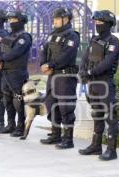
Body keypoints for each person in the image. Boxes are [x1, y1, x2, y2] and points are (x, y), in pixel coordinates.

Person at [79, 10, 119, 161]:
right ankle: (96, 146)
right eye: (96, 22)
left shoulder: (113, 41)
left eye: (101, 22)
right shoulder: (94, 39)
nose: (98, 25)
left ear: (108, 24)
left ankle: (111, 150)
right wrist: (82, 71)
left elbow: (107, 62)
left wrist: (90, 72)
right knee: (96, 114)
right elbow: (85, 57)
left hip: (105, 83)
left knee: (110, 117)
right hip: (93, 83)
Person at [39, 8, 80, 149]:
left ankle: (68, 139)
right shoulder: (52, 35)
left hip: (65, 77)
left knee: (65, 107)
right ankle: (55, 134)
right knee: (51, 104)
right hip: (52, 75)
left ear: (66, 19)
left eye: (57, 18)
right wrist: (43, 64)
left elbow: (67, 54)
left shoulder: (72, 36)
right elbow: (44, 50)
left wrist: (51, 64)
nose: (54, 21)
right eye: (54, 19)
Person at [0, 11, 32, 137]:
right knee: (7, 99)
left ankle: (20, 126)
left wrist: (0, 59)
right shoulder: (9, 36)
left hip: (17, 72)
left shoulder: (24, 37)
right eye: (10, 19)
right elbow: (0, 49)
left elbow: (15, 53)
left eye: (14, 20)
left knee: (18, 100)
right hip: (5, 71)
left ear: (20, 21)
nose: (11, 22)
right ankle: (11, 125)